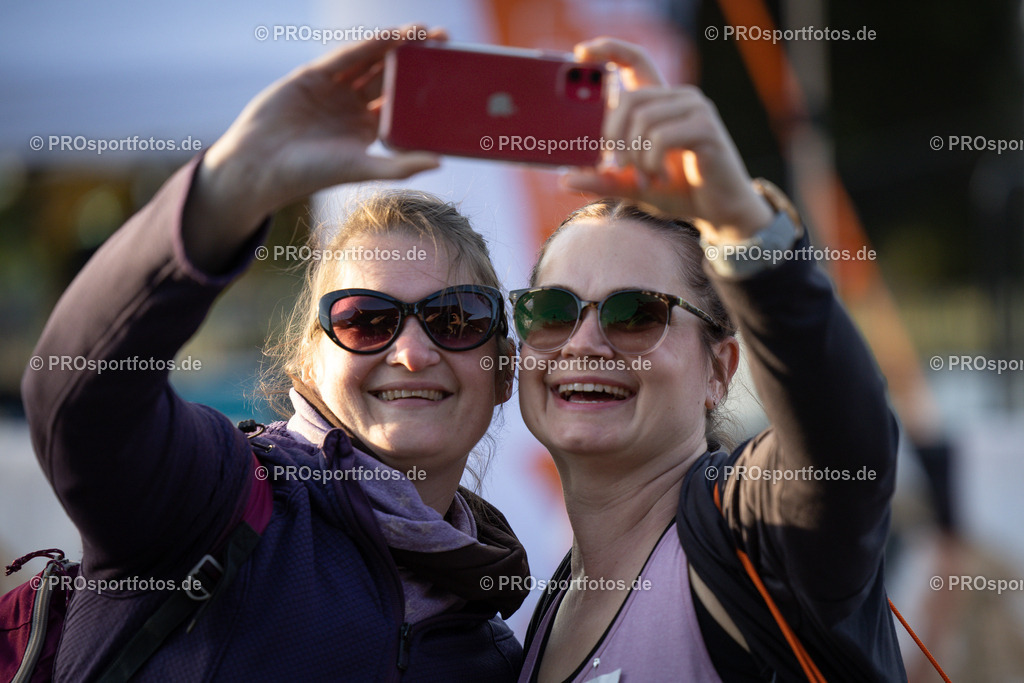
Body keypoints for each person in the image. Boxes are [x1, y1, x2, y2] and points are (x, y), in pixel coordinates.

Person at [20, 27, 531, 680]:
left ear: (505, 370)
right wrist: (227, 187)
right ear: (310, 363)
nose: (411, 351)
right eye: (365, 319)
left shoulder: (491, 654)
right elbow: (76, 399)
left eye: (455, 318)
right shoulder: (215, 498)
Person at [512, 39, 906, 681]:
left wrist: (739, 222)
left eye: (636, 313)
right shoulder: (537, 617)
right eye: (553, 311)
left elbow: (846, 449)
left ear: (719, 369)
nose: (583, 343)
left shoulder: (752, 532)